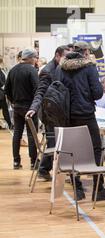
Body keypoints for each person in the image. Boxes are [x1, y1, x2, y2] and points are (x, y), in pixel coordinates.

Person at [59, 41, 105, 202]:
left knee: (71, 151)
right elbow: (97, 93)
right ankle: (98, 189)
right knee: (97, 149)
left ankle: (77, 189)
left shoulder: (60, 68)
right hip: (86, 114)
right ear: (85, 52)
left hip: (67, 115)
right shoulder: (89, 67)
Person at [26, 45, 70, 181]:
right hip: (49, 113)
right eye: (65, 56)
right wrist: (34, 107)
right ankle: (44, 169)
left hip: (59, 113)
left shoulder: (63, 68)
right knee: (53, 142)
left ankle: (58, 169)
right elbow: (40, 91)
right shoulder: (48, 70)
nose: (68, 59)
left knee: (57, 142)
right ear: (57, 56)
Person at [4, 48, 39, 170]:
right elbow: (37, 90)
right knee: (32, 135)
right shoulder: (32, 70)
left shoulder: (13, 70)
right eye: (35, 57)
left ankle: (16, 161)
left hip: (17, 107)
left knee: (17, 134)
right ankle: (33, 162)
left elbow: (6, 90)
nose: (36, 60)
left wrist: (13, 102)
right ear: (30, 58)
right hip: (30, 108)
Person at [0, 56, 12, 129]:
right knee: (5, 110)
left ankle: (9, 123)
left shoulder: (1, 70)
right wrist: (4, 86)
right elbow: (1, 82)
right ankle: (9, 124)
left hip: (1, 93)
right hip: (1, 93)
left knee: (5, 110)